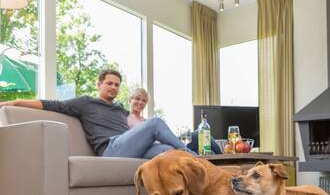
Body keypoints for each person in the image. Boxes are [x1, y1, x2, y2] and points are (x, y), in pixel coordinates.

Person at [0, 69, 194, 159]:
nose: (113, 87)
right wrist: (16, 102)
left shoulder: (120, 109)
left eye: (117, 85)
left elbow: (136, 128)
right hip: (110, 149)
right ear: (99, 85)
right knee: (156, 122)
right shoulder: (86, 102)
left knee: (169, 152)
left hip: (128, 148)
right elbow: (52, 104)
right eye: (109, 83)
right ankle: (196, 156)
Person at [125, 87, 223, 154]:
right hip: (160, 148)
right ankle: (225, 160)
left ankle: (224, 163)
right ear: (130, 100)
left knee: (207, 147)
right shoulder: (126, 118)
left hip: (168, 143)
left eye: (144, 100)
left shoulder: (147, 121)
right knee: (198, 134)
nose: (140, 102)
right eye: (137, 99)